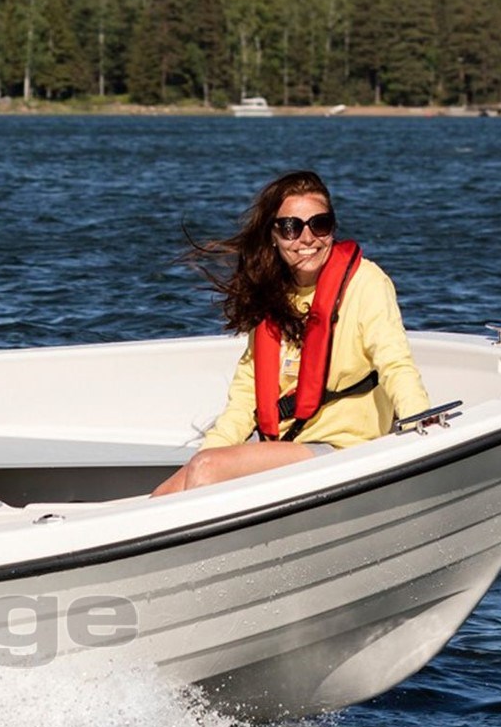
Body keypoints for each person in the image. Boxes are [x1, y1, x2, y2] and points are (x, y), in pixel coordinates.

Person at [153, 170, 429, 496]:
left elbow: (395, 362)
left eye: (319, 224)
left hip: (343, 450)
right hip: (282, 446)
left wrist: (421, 422)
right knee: (167, 492)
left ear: (332, 228)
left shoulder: (366, 283)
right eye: (290, 227)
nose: (306, 238)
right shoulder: (272, 295)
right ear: (274, 235)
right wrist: (207, 454)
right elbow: (245, 400)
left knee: (206, 469)